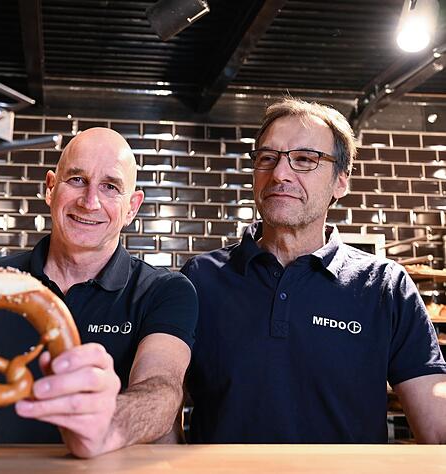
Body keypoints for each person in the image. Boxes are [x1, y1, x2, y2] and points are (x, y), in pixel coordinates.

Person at [180, 97, 446, 443]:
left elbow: (437, 429)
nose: (279, 174)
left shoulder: (385, 286)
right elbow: (161, 396)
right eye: (267, 158)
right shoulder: (201, 278)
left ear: (341, 182)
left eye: (304, 159)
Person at [0, 127, 198, 458]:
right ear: (51, 188)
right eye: (77, 180)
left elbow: (162, 390)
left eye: (110, 187)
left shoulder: (164, 291)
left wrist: (110, 424)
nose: (90, 201)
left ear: (132, 207)